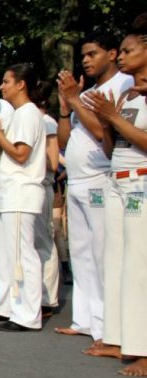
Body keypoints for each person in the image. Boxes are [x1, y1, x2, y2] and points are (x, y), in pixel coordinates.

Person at [55, 31, 133, 346]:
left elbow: (105, 133)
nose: (86, 60)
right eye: (83, 55)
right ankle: (85, 320)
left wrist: (74, 99)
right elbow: (64, 140)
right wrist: (65, 107)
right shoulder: (87, 93)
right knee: (81, 253)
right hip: (77, 179)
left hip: (102, 179)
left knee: (103, 254)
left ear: (112, 54)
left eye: (92, 54)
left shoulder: (122, 86)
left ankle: (107, 329)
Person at [84, 17, 147, 376]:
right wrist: (108, 124)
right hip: (116, 180)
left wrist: (113, 119)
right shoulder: (125, 95)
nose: (121, 57)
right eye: (120, 51)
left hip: (140, 182)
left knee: (139, 266)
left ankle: (143, 349)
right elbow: (112, 147)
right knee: (116, 261)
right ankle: (118, 337)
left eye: (128, 50)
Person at [0, 63, 46, 332]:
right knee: (8, 254)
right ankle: (7, 305)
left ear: (21, 84)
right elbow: (9, 150)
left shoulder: (28, 113)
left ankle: (28, 314)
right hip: (9, 191)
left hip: (22, 190)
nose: (1, 86)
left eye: (6, 81)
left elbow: (20, 154)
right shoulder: (18, 114)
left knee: (21, 254)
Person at [35, 82, 61, 316]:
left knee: (43, 240)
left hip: (41, 184)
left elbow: (53, 162)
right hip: (28, 186)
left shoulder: (46, 122)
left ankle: (47, 298)